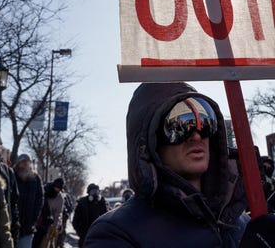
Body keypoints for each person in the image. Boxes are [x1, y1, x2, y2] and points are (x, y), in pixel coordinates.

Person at [84, 82, 275, 247]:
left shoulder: (242, 222)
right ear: (149, 143)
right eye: (179, 125)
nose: (197, 135)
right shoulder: (115, 233)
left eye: (205, 121)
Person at [14, 153, 44, 248]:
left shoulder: (36, 178)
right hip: (12, 225)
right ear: (18, 163)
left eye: (28, 161)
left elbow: (40, 198)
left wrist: (34, 217)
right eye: (23, 161)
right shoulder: (12, 175)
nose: (25, 164)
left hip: (28, 226)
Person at [32, 177, 65, 248]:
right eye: (56, 187)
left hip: (47, 224)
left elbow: (58, 213)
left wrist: (55, 226)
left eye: (58, 189)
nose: (56, 190)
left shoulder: (60, 198)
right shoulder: (43, 189)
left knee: (44, 244)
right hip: (36, 220)